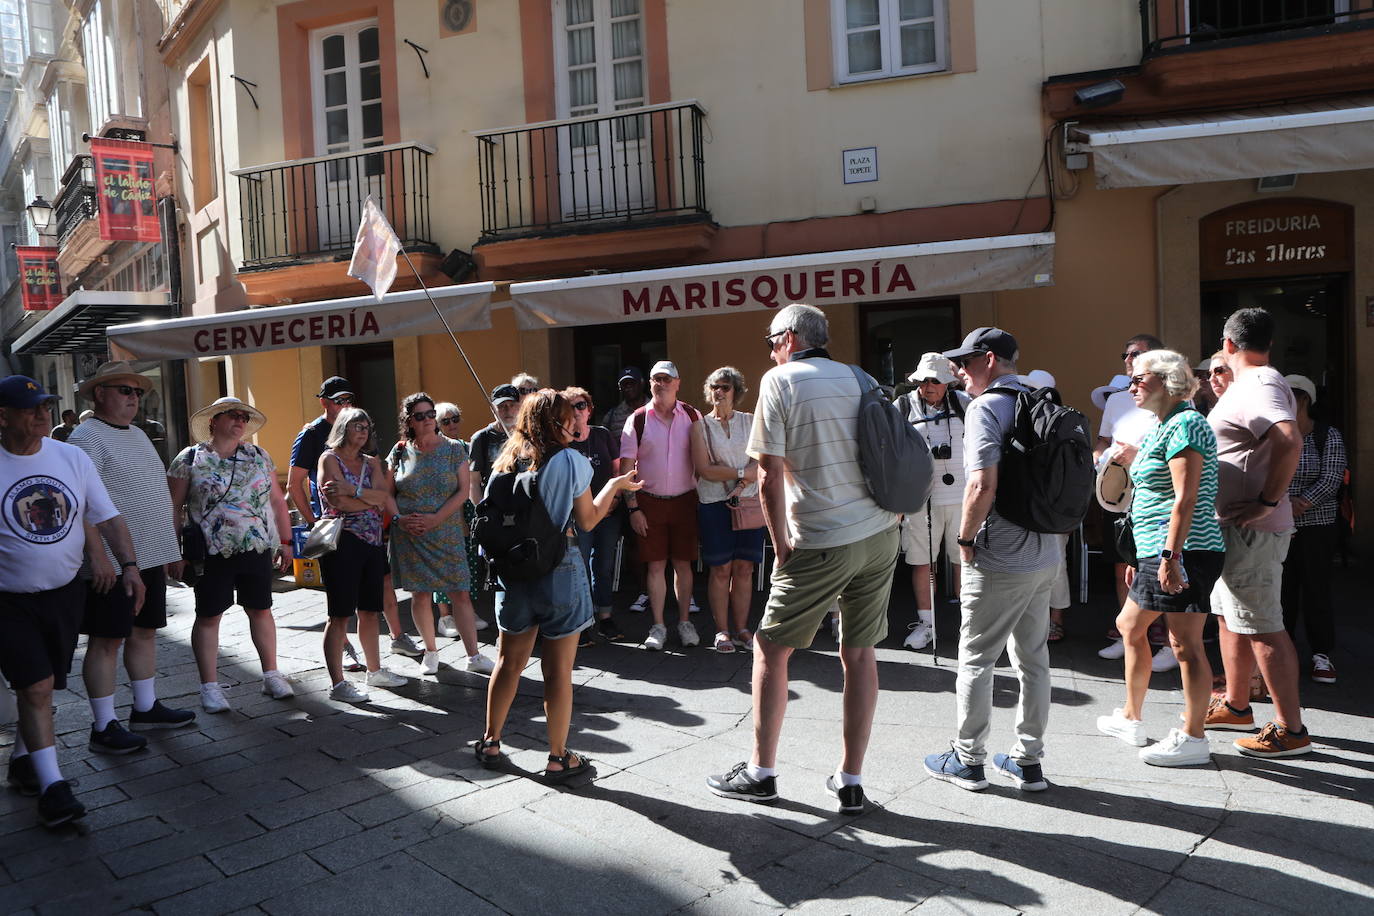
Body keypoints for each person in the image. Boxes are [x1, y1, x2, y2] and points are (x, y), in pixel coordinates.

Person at [707, 304, 900, 815]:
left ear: (789, 338)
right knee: (860, 653)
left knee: (770, 648)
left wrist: (781, 547)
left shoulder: (780, 381)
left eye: (771, 341)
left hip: (822, 536)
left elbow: (767, 476)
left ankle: (761, 773)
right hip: (879, 531)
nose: (770, 351)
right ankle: (851, 782)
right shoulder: (859, 377)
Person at [475, 390, 642, 782]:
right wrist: (614, 486)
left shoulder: (505, 460)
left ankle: (490, 741)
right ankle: (558, 757)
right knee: (557, 672)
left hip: (513, 569)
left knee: (508, 662)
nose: (576, 422)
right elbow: (588, 519)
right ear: (557, 422)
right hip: (559, 568)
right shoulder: (570, 460)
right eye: (570, 416)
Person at [923, 327, 1063, 794]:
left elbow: (982, 484)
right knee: (1034, 660)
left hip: (1000, 554)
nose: (958, 371)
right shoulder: (1040, 397)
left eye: (965, 362)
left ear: (988, 359)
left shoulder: (987, 407)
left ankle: (968, 759)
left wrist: (964, 539)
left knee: (976, 659)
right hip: (1044, 550)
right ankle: (1028, 761)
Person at [1, 375, 146, 827]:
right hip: (8, 600)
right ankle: (53, 788)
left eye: (45, 405)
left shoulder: (70, 457)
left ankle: (24, 762)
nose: (42, 414)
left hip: (64, 593)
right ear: (2, 417)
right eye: (30, 408)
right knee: (36, 687)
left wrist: (130, 565)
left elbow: (107, 516)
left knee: (43, 685)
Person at [1095, 350, 1225, 766]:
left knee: (1184, 644)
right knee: (1130, 626)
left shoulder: (1186, 423)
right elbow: (1155, 495)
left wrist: (1170, 557)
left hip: (1186, 550)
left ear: (1167, 381)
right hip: (1161, 550)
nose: (1131, 385)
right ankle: (1131, 717)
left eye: (1139, 378)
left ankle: (1193, 738)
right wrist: (1144, 556)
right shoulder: (1162, 425)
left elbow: (1185, 499)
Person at [69, 362, 196, 755]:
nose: (134, 398)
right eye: (125, 390)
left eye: (137, 392)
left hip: (149, 555)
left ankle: (145, 707)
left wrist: (170, 549)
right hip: (112, 560)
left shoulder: (139, 433)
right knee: (106, 640)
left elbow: (153, 492)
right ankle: (103, 725)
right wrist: (98, 557)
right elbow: (80, 505)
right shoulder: (85, 438)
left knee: (144, 631)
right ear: (99, 394)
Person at [1203, 308, 1310, 758]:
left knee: (1262, 625)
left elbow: (1289, 438)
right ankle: (1236, 705)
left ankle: (1291, 731)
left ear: (1229, 344)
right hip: (1235, 529)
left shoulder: (1259, 383)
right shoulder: (1251, 383)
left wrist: (1267, 501)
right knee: (1230, 617)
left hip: (1254, 531)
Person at [168, 397, 296, 713]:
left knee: (261, 609)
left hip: (255, 547)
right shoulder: (189, 458)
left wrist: (286, 541)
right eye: (233, 415)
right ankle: (209, 687)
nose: (240, 421)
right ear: (214, 421)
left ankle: (271, 675)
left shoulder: (258, 455)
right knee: (209, 615)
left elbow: (277, 501)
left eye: (244, 417)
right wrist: (172, 552)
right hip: (210, 551)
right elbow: (172, 507)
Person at [288, 377, 411, 661]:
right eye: (338, 400)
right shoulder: (313, 435)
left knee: (380, 589)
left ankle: (395, 639)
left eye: (348, 399)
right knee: (340, 603)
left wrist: (357, 493)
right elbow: (295, 485)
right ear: (324, 402)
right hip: (336, 526)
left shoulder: (365, 444)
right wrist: (313, 521)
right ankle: (344, 648)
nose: (345, 405)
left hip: (370, 531)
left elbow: (381, 491)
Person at [385, 392, 494, 677]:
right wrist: (399, 519)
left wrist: (435, 518)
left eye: (431, 414)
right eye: (420, 415)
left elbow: (463, 491)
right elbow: (387, 492)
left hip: (446, 532)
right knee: (420, 595)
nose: (428, 420)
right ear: (409, 420)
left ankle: (473, 655)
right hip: (410, 534)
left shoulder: (454, 448)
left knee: (460, 593)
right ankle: (431, 652)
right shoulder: (399, 450)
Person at [316, 408, 409, 701]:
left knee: (370, 610)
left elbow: (384, 498)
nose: (363, 431)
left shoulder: (371, 462)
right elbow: (337, 502)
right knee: (339, 614)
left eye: (366, 426)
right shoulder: (329, 459)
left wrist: (353, 491)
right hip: (342, 542)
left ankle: (375, 670)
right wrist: (368, 499)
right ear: (343, 428)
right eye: (357, 425)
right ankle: (338, 684)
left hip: (372, 542)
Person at [1094, 335, 1174, 670]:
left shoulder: (1170, 399)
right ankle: (1129, 637)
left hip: (1155, 496)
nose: (1128, 359)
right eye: (1125, 354)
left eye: (1136, 354)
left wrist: (1136, 454)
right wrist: (1100, 459)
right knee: (1122, 567)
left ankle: (1169, 643)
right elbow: (1103, 441)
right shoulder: (1117, 400)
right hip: (1119, 494)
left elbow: (1175, 448)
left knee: (1161, 569)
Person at [621, 361, 702, 651]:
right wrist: (633, 509)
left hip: (685, 501)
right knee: (655, 566)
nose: (661, 384)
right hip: (649, 502)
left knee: (683, 564)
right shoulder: (637, 419)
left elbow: (703, 458)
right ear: (650, 383)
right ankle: (658, 626)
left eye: (667, 379)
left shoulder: (692, 415)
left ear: (678, 383)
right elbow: (627, 470)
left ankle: (685, 622)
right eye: (656, 379)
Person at [894, 353, 969, 651]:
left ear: (947, 383)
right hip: (920, 500)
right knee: (922, 562)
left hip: (962, 498)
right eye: (923, 381)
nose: (928, 386)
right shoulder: (902, 406)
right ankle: (926, 625)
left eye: (935, 381)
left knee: (964, 562)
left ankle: (968, 626)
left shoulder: (965, 404)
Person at [690, 367, 763, 653]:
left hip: (748, 503)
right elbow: (705, 470)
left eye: (725, 387)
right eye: (715, 387)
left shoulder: (751, 421)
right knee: (720, 569)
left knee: (745, 568)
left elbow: (762, 461)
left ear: (736, 391)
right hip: (714, 504)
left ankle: (742, 629)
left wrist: (740, 482)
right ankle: (722, 631)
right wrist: (744, 473)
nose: (719, 392)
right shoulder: (699, 426)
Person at [1280, 374, 1346, 685]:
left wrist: (1301, 503)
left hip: (1317, 526)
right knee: (1283, 591)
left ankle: (1322, 653)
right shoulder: (1276, 433)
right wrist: (1283, 503)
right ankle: (1284, 650)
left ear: (1304, 400)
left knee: (1316, 589)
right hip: (1280, 524)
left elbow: (1332, 477)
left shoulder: (1327, 435)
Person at [565, 386, 625, 643]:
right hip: (579, 516)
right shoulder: (563, 440)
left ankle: (605, 617)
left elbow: (617, 470)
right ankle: (582, 621)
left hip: (608, 511)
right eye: (571, 407)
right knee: (579, 568)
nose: (577, 411)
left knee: (604, 566)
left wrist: (616, 498)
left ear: (589, 410)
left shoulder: (602, 434)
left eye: (581, 405)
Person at [432, 401, 490, 638]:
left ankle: (467, 611)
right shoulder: (435, 449)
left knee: (468, 562)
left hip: (467, 510)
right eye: (445, 421)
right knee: (443, 563)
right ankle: (445, 616)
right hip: (444, 510)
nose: (452, 424)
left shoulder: (467, 447)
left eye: (455, 418)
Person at [600, 367, 651, 614]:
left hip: (656, 484)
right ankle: (643, 590)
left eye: (632, 383)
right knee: (634, 541)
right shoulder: (612, 417)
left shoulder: (657, 408)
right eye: (624, 384)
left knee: (662, 541)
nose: (628, 388)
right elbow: (607, 452)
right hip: (625, 486)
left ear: (642, 384)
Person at [469, 384, 521, 504]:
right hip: (493, 504)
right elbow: (474, 481)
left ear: (519, 407)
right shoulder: (481, 438)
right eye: (501, 406)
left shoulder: (527, 435)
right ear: (492, 408)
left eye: (512, 405)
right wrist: (481, 509)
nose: (508, 410)